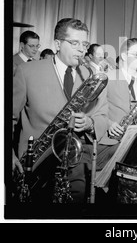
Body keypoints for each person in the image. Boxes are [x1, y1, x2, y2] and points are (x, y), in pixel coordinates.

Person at [13, 18, 118, 203]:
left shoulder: (91, 76)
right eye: (74, 43)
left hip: (75, 164)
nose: (81, 49)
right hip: (34, 165)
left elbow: (102, 115)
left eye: (84, 44)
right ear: (58, 44)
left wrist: (90, 123)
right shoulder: (27, 71)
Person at [102, 38, 137, 142]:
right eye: (136, 55)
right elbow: (93, 111)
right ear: (124, 56)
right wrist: (108, 123)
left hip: (136, 140)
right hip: (112, 140)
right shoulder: (108, 77)